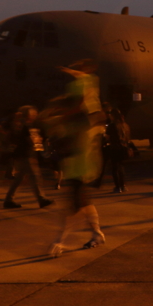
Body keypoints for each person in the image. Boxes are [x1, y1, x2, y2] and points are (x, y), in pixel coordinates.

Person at [44, 62, 105, 256]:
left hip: (81, 167)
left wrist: (76, 75)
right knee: (84, 203)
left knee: (72, 207)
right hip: (77, 166)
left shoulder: (83, 119)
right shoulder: (73, 120)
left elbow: (86, 94)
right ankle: (97, 233)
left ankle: (60, 241)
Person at [4, 106, 54, 208]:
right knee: (35, 177)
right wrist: (39, 143)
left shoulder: (26, 125)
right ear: (28, 115)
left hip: (24, 155)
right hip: (26, 155)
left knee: (19, 179)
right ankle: (41, 199)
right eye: (33, 113)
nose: (35, 114)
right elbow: (32, 142)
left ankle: (8, 200)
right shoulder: (26, 126)